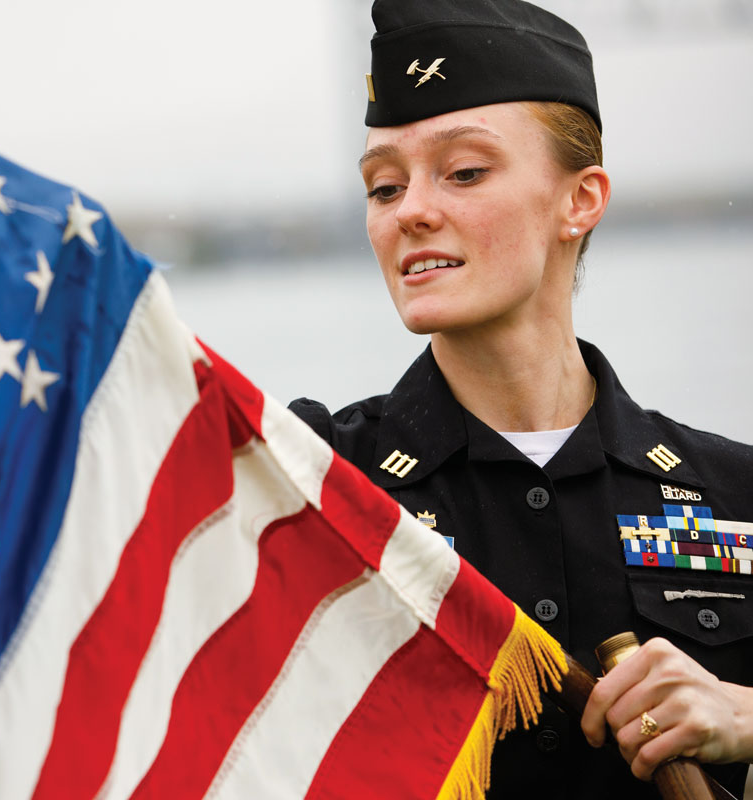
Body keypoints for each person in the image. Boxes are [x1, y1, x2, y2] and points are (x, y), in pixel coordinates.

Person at [287, 1, 753, 797]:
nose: (412, 212)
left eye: (464, 172)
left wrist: (745, 715)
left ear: (581, 199)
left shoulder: (734, 492)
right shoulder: (314, 483)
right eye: (384, 186)